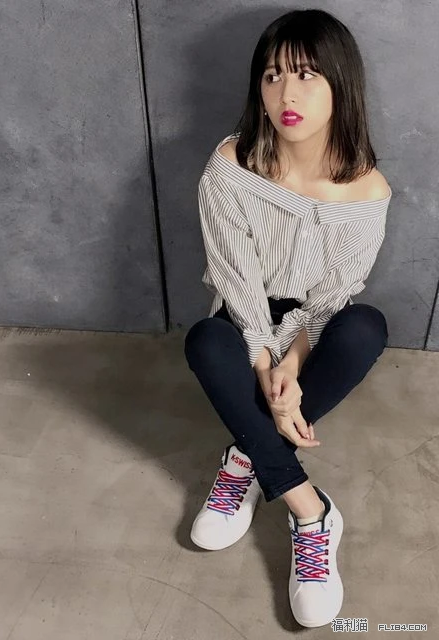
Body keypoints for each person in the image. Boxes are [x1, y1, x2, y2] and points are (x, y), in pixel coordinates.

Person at [184, 8, 392, 630]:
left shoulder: (367, 193)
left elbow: (330, 299)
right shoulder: (231, 164)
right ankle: (310, 510)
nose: (286, 95)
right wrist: (263, 364)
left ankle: (249, 454)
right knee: (205, 340)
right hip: (241, 318)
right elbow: (235, 279)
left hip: (311, 331)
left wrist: (291, 371)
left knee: (366, 327)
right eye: (272, 76)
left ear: (340, 83)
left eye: (306, 75)